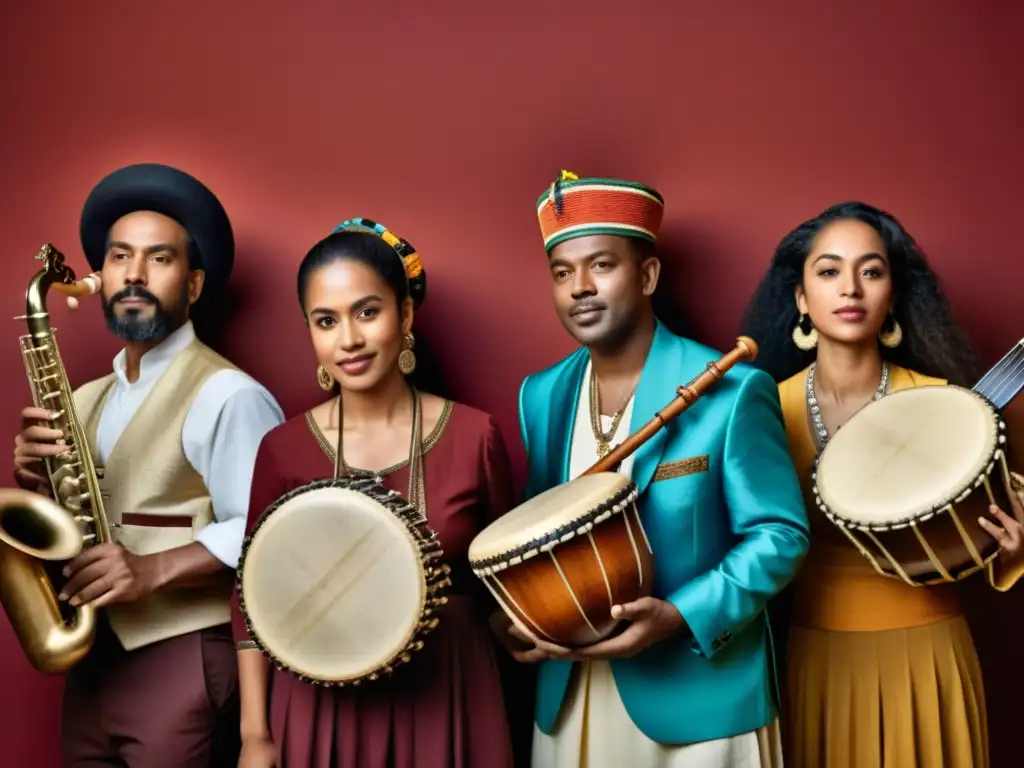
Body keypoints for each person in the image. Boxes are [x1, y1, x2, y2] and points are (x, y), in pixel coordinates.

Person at [492, 171, 811, 767]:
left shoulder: (734, 389)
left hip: (698, 702)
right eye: (562, 273)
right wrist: (514, 614)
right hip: (572, 699)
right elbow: (536, 537)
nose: (579, 288)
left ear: (648, 275)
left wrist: (681, 616)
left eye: (601, 266)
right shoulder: (540, 396)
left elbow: (780, 535)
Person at [11, 162, 285, 767]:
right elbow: (74, 524)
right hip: (90, 660)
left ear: (192, 285)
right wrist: (35, 484)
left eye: (159, 259)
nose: (133, 275)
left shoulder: (228, 394)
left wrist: (153, 569)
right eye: (119, 257)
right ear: (99, 276)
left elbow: (272, 533)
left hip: (182, 655)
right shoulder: (80, 400)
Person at [740, 200, 1024, 768]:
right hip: (814, 663)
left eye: (871, 271)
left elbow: (981, 536)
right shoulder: (761, 408)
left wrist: (1012, 547)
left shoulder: (950, 404)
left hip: (929, 659)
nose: (851, 288)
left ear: (892, 294)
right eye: (828, 271)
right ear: (800, 298)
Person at [231, 218, 517, 768]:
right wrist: (254, 735)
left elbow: (504, 583)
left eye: (367, 312)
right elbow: (248, 599)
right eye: (326, 321)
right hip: (320, 701)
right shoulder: (282, 449)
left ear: (405, 314)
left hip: (451, 688)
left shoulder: (474, 435)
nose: (349, 340)